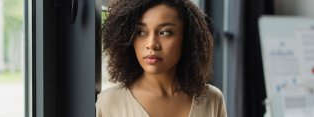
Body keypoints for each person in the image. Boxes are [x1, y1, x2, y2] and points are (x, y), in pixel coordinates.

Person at [96, 0, 227, 116]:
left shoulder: (212, 99)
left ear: (187, 37)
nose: (152, 44)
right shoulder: (110, 102)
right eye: (141, 32)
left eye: (164, 32)